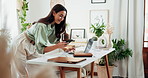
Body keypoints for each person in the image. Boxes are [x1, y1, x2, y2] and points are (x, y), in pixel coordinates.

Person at [11, 4, 72, 78]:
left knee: (40, 69)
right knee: (22, 73)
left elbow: (55, 42)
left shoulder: (53, 27)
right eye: (60, 15)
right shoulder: (42, 26)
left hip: (32, 45)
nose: (62, 19)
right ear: (54, 13)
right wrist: (58, 46)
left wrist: (65, 48)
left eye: (63, 17)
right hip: (21, 43)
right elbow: (41, 49)